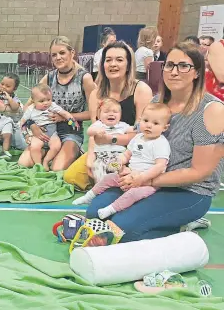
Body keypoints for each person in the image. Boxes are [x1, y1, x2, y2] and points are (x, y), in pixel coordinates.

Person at [87, 42, 224, 242]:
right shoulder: (157, 101)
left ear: (197, 72)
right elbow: (138, 138)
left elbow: (200, 172)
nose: (174, 72)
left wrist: (145, 179)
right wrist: (113, 145)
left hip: (189, 191)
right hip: (147, 181)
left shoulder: (212, 110)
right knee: (94, 215)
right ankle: (163, 223)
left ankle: (182, 229)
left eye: (183, 66)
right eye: (170, 65)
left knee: (117, 232)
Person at [63, 41, 153, 190]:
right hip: (103, 151)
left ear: (129, 64)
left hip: (132, 151)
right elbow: (95, 132)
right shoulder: (96, 94)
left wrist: (112, 139)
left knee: (121, 180)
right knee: (72, 177)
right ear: (102, 64)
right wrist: (91, 156)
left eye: (119, 60)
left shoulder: (141, 90)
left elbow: (142, 134)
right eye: (108, 60)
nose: (113, 64)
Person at [75, 103, 171, 219]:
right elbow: (126, 155)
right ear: (140, 121)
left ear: (165, 127)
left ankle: (111, 209)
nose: (149, 126)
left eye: (155, 123)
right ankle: (89, 196)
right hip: (129, 174)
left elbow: (160, 166)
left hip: (148, 181)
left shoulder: (160, 143)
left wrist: (141, 178)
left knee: (132, 194)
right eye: (145, 120)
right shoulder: (137, 138)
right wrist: (117, 163)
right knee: (108, 178)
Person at [18, 36, 96, 171]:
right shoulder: (49, 77)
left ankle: (74, 152)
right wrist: (32, 125)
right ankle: (51, 154)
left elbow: (94, 113)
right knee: (23, 163)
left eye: (62, 53)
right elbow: (27, 107)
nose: (58, 58)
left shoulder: (84, 78)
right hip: (47, 132)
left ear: (72, 53)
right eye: (54, 55)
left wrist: (65, 116)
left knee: (57, 169)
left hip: (70, 132)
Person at [21, 84, 75, 171]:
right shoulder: (30, 110)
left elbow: (65, 114)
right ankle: (38, 164)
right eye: (41, 101)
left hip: (52, 133)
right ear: (33, 101)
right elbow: (22, 123)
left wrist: (73, 123)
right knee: (34, 147)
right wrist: (26, 135)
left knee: (56, 146)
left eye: (48, 99)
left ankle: (46, 161)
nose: (46, 103)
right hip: (38, 134)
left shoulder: (53, 106)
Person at [85, 98, 134, 183]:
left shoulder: (122, 125)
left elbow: (133, 130)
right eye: (106, 111)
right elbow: (89, 131)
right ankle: (102, 184)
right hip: (101, 156)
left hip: (118, 155)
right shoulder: (99, 124)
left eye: (115, 112)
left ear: (120, 115)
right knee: (97, 168)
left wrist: (139, 127)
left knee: (117, 165)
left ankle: (121, 173)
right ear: (99, 115)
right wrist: (96, 131)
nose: (111, 114)